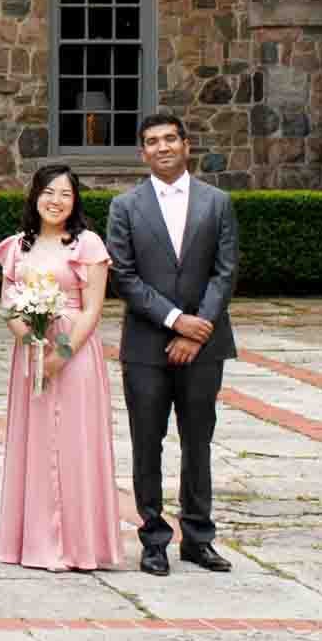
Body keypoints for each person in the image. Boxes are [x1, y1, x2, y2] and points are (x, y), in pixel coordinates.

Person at [106, 111, 241, 576]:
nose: (162, 147)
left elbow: (225, 271)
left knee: (198, 441)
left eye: (170, 139)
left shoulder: (217, 202)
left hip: (205, 344)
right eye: (152, 141)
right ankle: (153, 538)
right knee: (148, 442)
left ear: (186, 144)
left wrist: (199, 326)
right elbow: (124, 276)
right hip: (146, 345)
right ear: (142, 152)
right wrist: (175, 320)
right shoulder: (125, 207)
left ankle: (199, 537)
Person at [0, 163, 121, 572]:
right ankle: (33, 542)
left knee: (75, 442)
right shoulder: (17, 246)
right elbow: (8, 302)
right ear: (35, 196)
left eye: (65, 194)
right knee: (34, 443)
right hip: (29, 354)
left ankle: (81, 545)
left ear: (75, 200)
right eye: (48, 192)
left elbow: (92, 309)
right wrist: (29, 341)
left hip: (75, 354)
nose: (56, 201)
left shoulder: (88, 245)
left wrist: (59, 355)